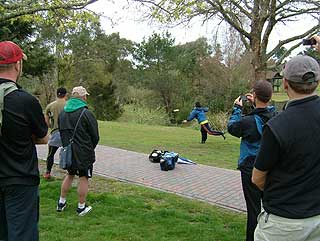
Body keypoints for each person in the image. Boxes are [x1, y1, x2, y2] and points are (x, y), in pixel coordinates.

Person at [252, 55, 320, 241]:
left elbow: (257, 178)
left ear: (285, 83)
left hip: (283, 223)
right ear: (317, 81)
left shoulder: (277, 126)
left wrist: (286, 191)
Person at [0, 41, 48, 241]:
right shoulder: (26, 101)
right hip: (20, 179)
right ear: (18, 65)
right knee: (22, 235)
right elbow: (44, 138)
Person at [227, 80, 276, 241]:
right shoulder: (276, 117)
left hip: (251, 167)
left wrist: (237, 108)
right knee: (271, 208)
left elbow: (232, 127)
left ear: (254, 96)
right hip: (272, 166)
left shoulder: (247, 121)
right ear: (270, 97)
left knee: (253, 209)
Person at [57, 86, 99, 216]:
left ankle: (61, 203)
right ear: (83, 97)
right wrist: (90, 147)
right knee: (83, 177)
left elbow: (61, 131)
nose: (86, 98)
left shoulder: (63, 113)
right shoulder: (86, 113)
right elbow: (95, 136)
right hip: (83, 152)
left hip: (68, 151)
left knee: (69, 175)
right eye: (85, 96)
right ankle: (81, 207)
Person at [43, 87, 67, 179]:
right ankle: (70, 172)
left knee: (51, 154)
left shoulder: (50, 106)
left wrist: (50, 126)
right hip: (67, 133)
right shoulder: (68, 105)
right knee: (69, 152)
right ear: (65, 95)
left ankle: (48, 172)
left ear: (57, 94)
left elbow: (46, 120)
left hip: (55, 132)